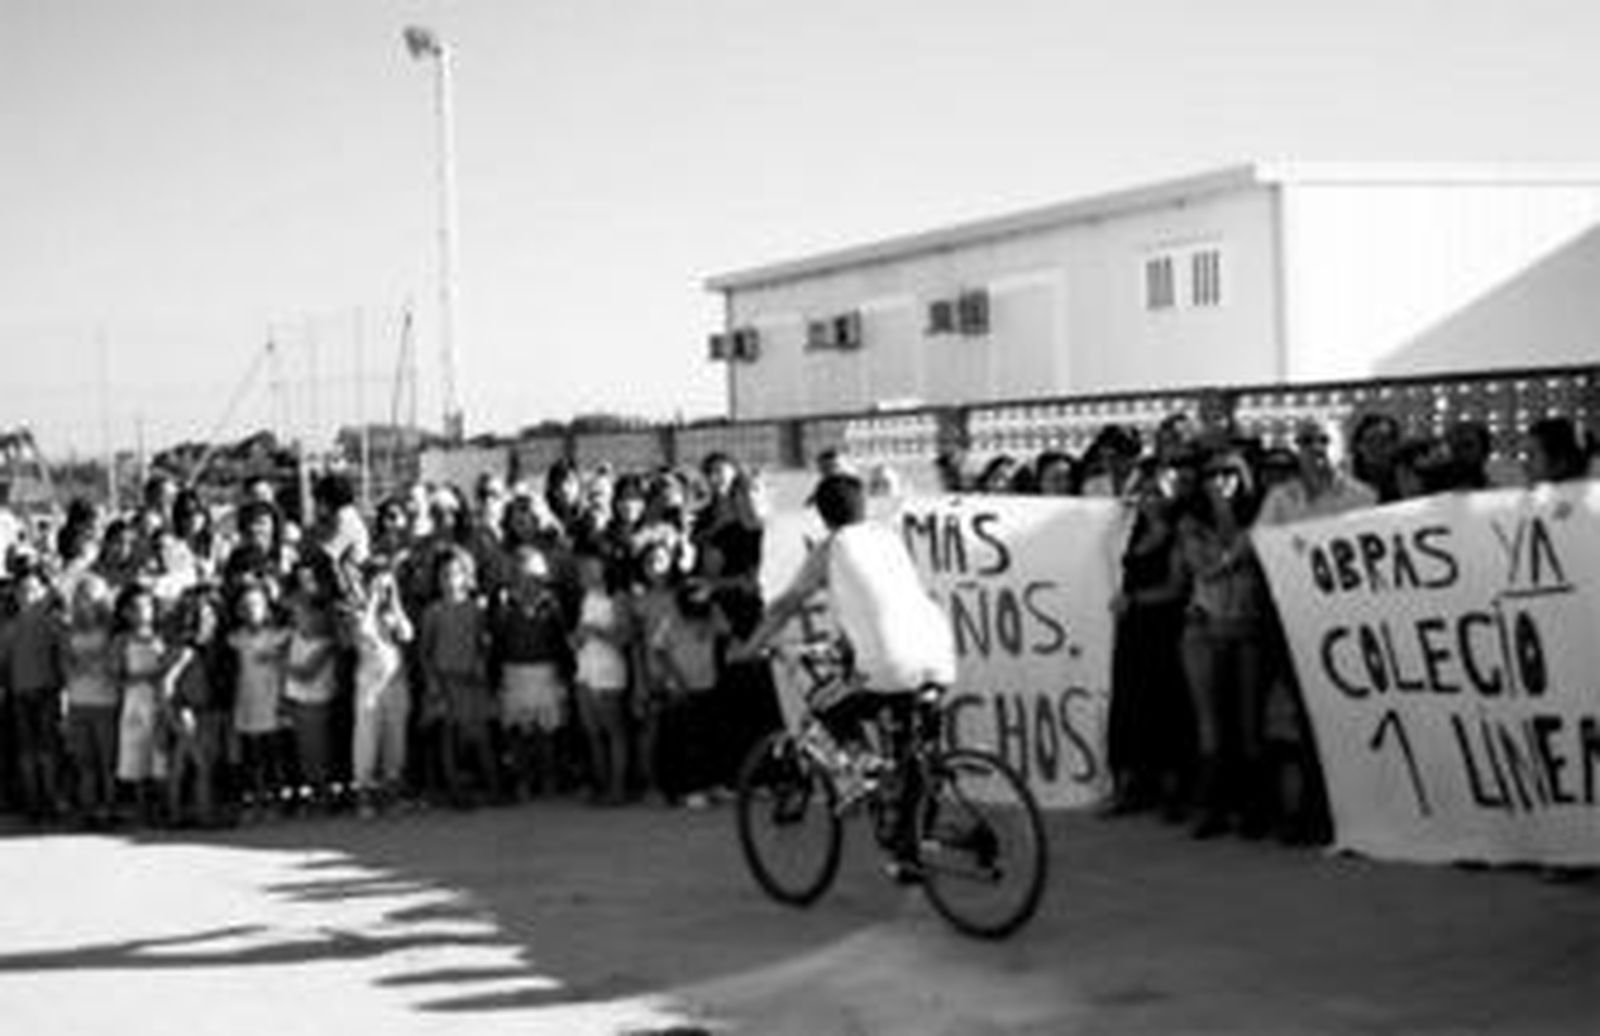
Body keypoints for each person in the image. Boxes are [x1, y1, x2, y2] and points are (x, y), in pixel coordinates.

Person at [736, 472, 956, 880]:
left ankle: (861, 765)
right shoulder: (888, 539)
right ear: (864, 507)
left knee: (822, 702)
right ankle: (910, 846)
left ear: (821, 517)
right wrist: (845, 645)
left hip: (892, 663)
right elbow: (880, 602)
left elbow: (785, 605)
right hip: (938, 653)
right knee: (913, 755)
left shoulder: (831, 548)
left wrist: (750, 647)